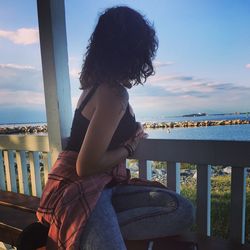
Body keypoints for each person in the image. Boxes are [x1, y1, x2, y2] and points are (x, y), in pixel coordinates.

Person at [36, 6, 194, 250]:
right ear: (133, 50)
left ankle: (78, 228)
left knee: (181, 209)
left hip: (103, 187)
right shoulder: (114, 94)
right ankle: (83, 227)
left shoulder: (94, 87)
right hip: (81, 190)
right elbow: (85, 166)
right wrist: (130, 147)